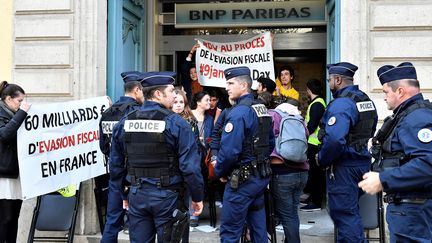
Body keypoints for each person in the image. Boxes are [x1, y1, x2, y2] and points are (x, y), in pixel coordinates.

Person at [109, 72, 204, 243]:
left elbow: (116, 166)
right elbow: (190, 167)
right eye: (171, 91)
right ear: (158, 94)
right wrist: (197, 197)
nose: (175, 94)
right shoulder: (177, 124)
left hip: (137, 195)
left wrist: (124, 195)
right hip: (168, 198)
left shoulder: (125, 122)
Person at [358, 62, 432, 243]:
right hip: (409, 208)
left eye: (386, 92)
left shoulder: (416, 118)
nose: (384, 97)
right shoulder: (407, 115)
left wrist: (383, 179)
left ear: (400, 91)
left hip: (414, 211)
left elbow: (427, 163)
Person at [317, 62, 378, 242]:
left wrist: (322, 159)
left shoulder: (342, 103)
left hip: (345, 167)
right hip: (362, 163)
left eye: (330, 80)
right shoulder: (365, 100)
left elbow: (335, 139)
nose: (329, 84)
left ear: (337, 80)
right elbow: (370, 129)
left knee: (345, 216)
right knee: (351, 214)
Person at [213, 66, 274, 242]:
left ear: (243, 86)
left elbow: (230, 152)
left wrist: (220, 172)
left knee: (230, 232)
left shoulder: (239, 113)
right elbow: (271, 143)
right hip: (260, 177)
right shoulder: (260, 108)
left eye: (230, 83)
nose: (227, 87)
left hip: (241, 182)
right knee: (258, 231)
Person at [99, 71, 144, 243]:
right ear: (137, 90)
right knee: (138, 223)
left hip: (114, 171)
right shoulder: (136, 112)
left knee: (112, 221)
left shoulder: (108, 112)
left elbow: (103, 146)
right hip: (134, 175)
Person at [269, 100, 309, 243]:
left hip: (282, 173)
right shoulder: (299, 119)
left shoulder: (273, 116)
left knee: (287, 215)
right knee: (293, 212)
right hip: (302, 173)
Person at [0, 81, 31, 243]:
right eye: (19, 101)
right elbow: (5, 135)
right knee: (5, 218)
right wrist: (22, 113)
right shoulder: (2, 113)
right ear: (8, 99)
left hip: (17, 172)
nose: (21, 105)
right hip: (4, 175)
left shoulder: (16, 115)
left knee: (14, 218)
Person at [301, 79, 327, 212]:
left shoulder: (317, 104)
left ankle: (316, 202)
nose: (306, 92)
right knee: (313, 173)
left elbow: (312, 125)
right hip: (313, 144)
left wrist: (302, 133)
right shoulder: (318, 103)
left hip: (314, 144)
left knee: (316, 174)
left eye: (307, 89)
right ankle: (313, 198)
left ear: (310, 90)